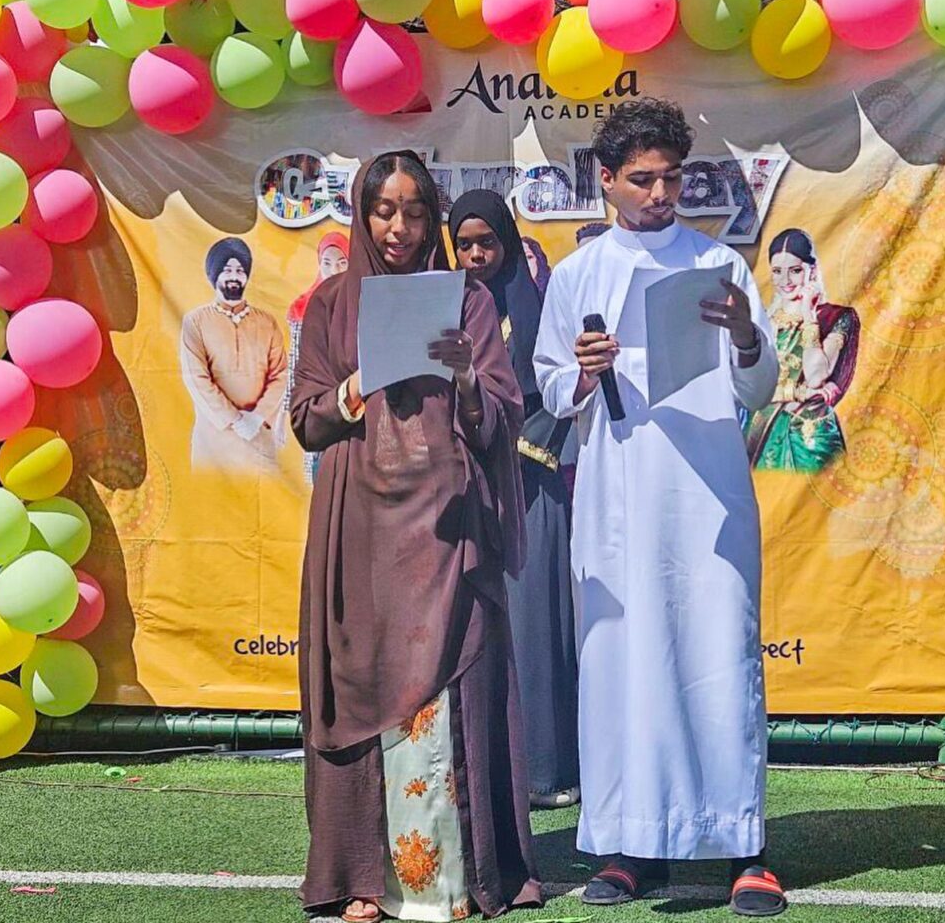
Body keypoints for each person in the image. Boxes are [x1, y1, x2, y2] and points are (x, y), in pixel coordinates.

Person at [533, 99, 786, 917]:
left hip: (706, 496)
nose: (660, 192)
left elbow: (758, 387)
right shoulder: (576, 277)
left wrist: (746, 336)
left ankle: (744, 846)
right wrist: (581, 367)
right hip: (616, 500)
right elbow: (549, 388)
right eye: (642, 179)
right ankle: (628, 848)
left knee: (719, 658)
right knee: (623, 669)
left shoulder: (721, 265)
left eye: (672, 177)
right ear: (605, 182)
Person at [290, 152, 541, 923]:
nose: (399, 228)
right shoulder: (333, 304)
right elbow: (305, 417)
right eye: (383, 210)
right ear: (361, 216)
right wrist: (351, 390)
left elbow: (501, 413)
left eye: (414, 212)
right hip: (359, 525)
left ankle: (452, 880)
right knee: (363, 681)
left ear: (433, 219)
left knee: (448, 685)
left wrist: (466, 377)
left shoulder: (466, 300)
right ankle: (368, 879)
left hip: (446, 526)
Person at [450, 191, 580, 810]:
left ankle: (544, 771)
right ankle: (480, 770)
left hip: (531, 484)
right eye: (464, 245)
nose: (476, 255)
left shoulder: (538, 307)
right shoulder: (447, 310)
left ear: (506, 242)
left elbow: (554, 391)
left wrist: (516, 453)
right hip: (464, 489)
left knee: (535, 623)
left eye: (487, 242)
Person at [745, 228, 860, 473]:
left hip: (810, 436)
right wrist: (799, 391)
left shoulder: (836, 318)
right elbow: (749, 387)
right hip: (761, 431)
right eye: (777, 272)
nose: (785, 281)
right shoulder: (763, 321)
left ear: (813, 270)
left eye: (795, 270)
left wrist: (809, 315)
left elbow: (817, 375)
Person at [180, 237, 288, 472]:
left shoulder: (266, 322)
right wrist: (236, 420)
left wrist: (256, 418)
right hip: (214, 444)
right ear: (214, 275)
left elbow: (281, 374)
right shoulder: (196, 322)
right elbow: (196, 378)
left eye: (240, 270)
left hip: (258, 438)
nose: (234, 276)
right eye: (227, 269)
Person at [287, 233, 351, 484]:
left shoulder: (360, 305)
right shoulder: (303, 308)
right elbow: (295, 366)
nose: (333, 270)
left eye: (341, 262)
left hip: (352, 416)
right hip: (315, 414)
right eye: (327, 262)